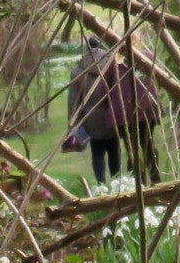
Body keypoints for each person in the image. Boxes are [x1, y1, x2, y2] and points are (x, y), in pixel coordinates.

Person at [67, 36, 161, 185]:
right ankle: (154, 178)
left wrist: (74, 122)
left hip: (121, 115)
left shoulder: (110, 64)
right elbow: (157, 81)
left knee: (127, 149)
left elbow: (104, 89)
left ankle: (133, 183)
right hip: (146, 109)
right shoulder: (146, 57)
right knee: (145, 145)